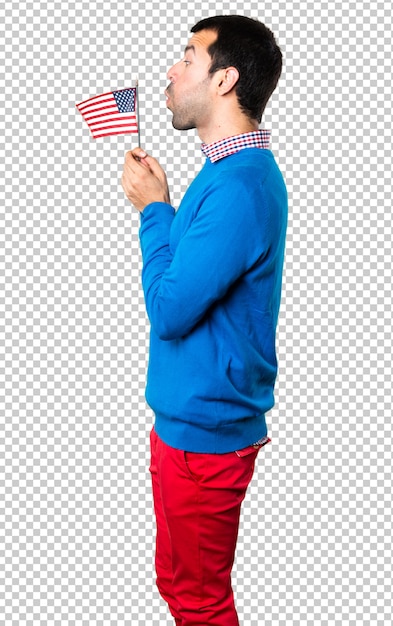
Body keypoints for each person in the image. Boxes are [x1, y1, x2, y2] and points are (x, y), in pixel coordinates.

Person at [121, 15, 287, 626]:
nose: (171, 68)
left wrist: (152, 210)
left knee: (198, 602)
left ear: (225, 81)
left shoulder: (239, 186)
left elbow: (168, 310)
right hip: (186, 430)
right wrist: (164, 206)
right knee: (178, 584)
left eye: (188, 57)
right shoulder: (222, 174)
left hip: (203, 441)